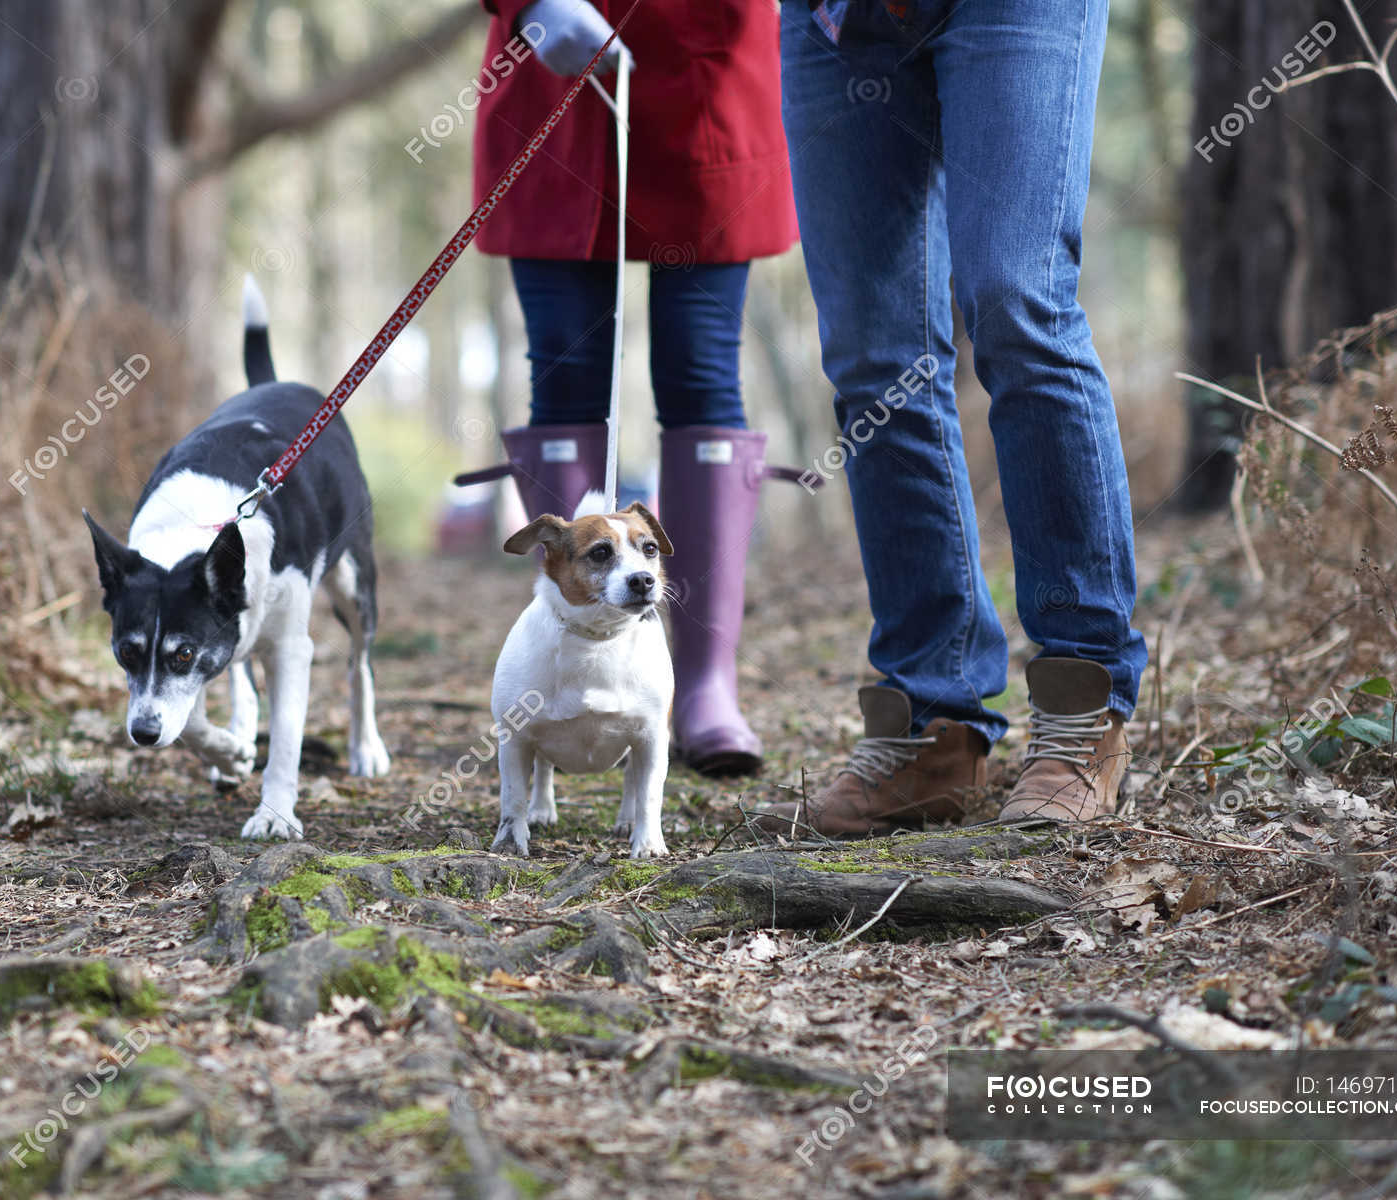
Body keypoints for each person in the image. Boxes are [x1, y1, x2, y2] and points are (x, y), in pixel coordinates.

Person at [755, 0, 1147, 835]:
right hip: (837, 20)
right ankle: (933, 728)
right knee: (873, 357)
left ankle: (1084, 706)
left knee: (1017, 303)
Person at [461, 0, 800, 776]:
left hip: (706, 84)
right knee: (564, 374)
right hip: (552, 90)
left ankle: (705, 686)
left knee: (702, 374)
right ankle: (563, 667)